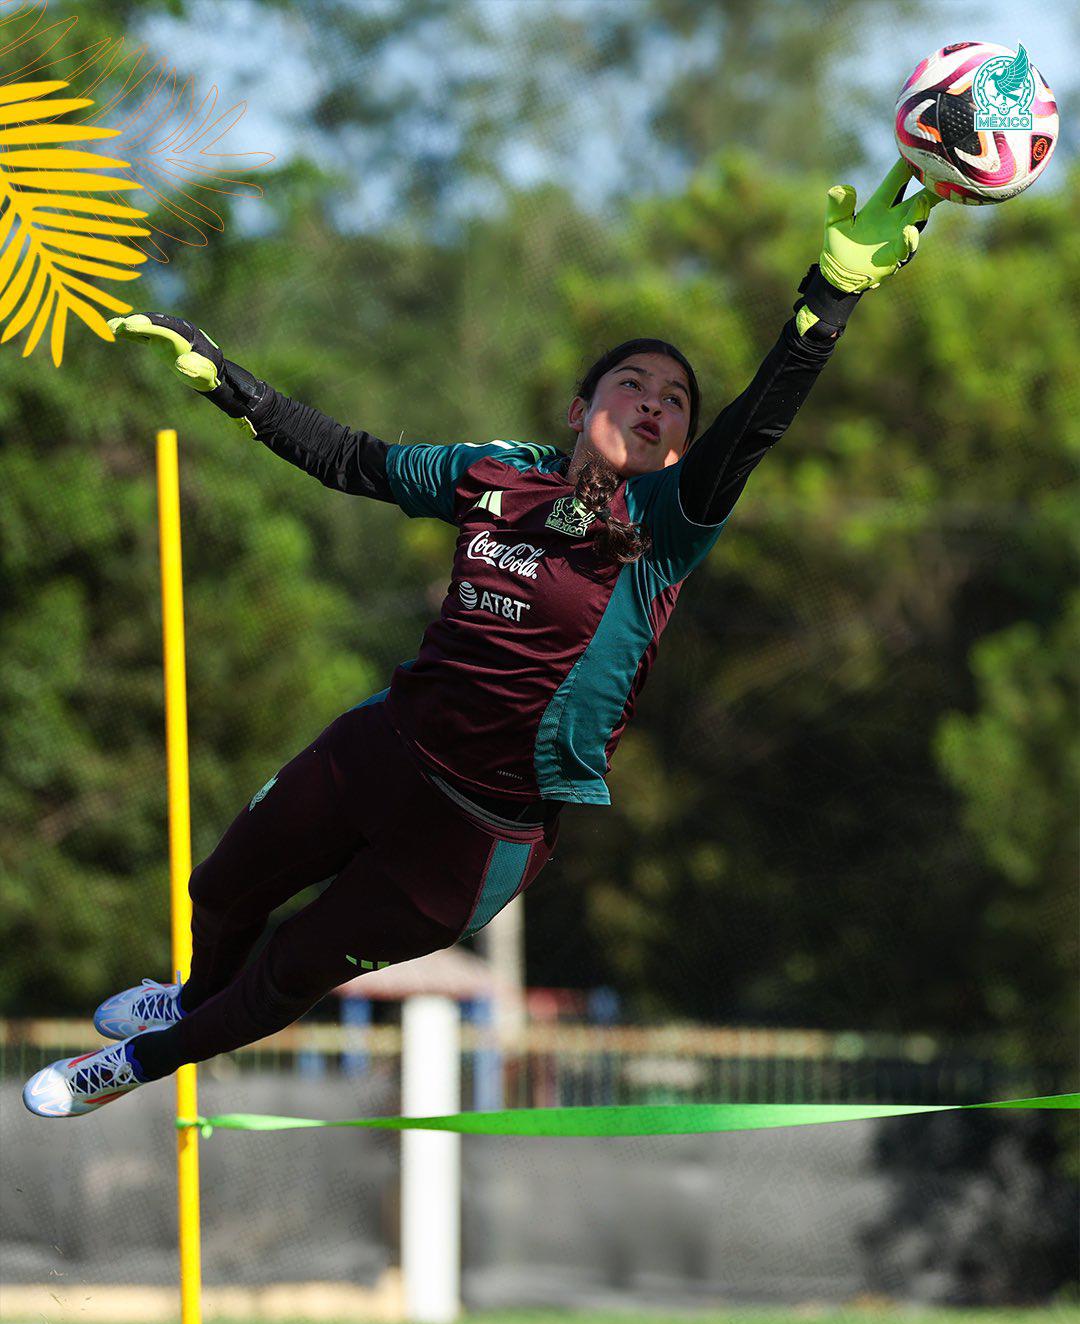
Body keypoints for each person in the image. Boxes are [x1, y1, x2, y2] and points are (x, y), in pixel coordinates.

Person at [24, 160, 937, 1117]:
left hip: (480, 833)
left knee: (288, 970)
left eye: (674, 401)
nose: (655, 402)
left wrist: (826, 300)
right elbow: (353, 460)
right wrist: (234, 388)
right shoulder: (492, 473)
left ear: (678, 448)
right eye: (632, 382)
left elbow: (757, 425)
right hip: (384, 749)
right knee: (222, 894)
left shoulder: (667, 521)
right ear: (579, 406)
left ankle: (134, 1066)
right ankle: (190, 994)